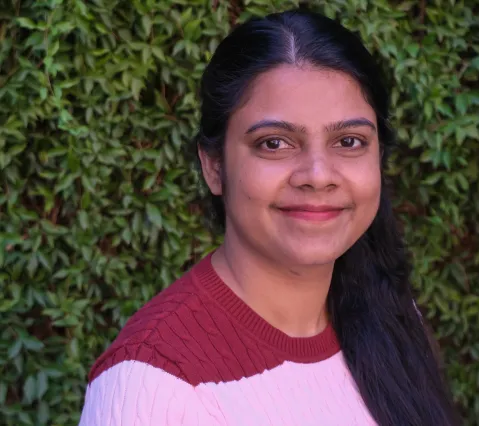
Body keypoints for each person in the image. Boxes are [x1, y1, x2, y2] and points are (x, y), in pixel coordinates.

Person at [78, 9, 459, 426]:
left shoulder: (392, 315)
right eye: (274, 143)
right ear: (214, 167)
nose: (318, 175)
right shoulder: (152, 386)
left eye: (349, 141)